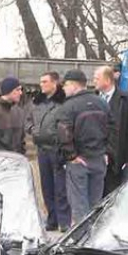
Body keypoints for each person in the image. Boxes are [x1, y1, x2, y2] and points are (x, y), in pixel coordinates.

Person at [55, 69, 111, 225]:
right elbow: (113, 129)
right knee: (95, 204)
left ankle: (82, 242)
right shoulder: (102, 103)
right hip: (99, 159)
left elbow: (63, 132)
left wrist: (72, 156)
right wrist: (106, 152)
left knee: (79, 205)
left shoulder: (68, 106)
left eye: (65, 85)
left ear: (73, 85)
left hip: (79, 161)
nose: (63, 89)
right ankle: (93, 238)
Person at [28, 71, 70, 232]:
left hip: (57, 148)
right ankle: (51, 219)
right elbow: (28, 120)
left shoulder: (63, 102)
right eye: (40, 82)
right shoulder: (36, 102)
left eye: (45, 82)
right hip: (42, 149)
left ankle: (64, 220)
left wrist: (56, 135)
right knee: (46, 186)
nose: (41, 85)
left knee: (61, 187)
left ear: (54, 83)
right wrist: (33, 130)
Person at [94, 65, 128, 193]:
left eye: (97, 78)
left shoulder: (126, 100)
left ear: (107, 81)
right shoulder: (93, 99)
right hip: (97, 157)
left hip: (117, 160)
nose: (94, 81)